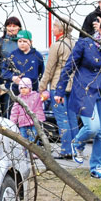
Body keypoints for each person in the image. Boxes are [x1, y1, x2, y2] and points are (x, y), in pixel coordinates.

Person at [55, 17, 101, 179]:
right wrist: (60, 91)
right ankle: (77, 143)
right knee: (92, 127)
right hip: (84, 90)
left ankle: (97, 167)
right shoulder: (84, 44)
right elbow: (69, 66)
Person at [42, 19, 78, 158]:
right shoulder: (75, 44)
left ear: (61, 29)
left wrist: (42, 86)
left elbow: (49, 69)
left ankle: (66, 150)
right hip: (73, 86)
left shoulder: (57, 45)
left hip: (58, 87)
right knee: (72, 119)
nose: (52, 29)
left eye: (54, 26)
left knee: (62, 119)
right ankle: (76, 149)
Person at [0, 16, 23, 117]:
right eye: (9, 25)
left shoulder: (23, 41)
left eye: (14, 26)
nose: (11, 28)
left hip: (21, 84)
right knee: (8, 113)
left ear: (19, 28)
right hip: (5, 83)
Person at [9, 76, 46, 143]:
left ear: (30, 88)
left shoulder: (36, 96)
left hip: (34, 123)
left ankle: (34, 153)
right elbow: (14, 112)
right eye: (21, 88)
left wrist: (44, 95)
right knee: (24, 141)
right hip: (22, 124)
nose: (23, 89)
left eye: (25, 87)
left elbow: (46, 94)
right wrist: (12, 123)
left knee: (34, 140)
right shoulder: (18, 99)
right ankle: (25, 153)